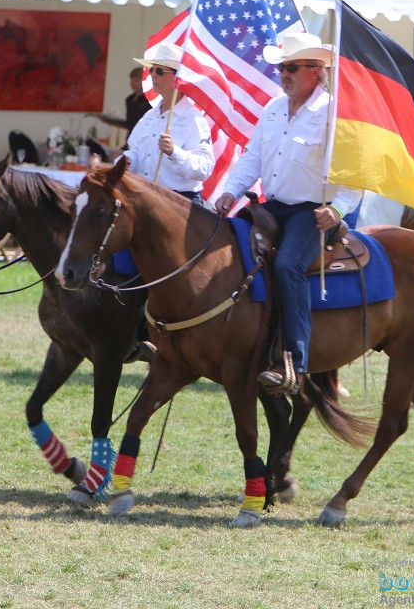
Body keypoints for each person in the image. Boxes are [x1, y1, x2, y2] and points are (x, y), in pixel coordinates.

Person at [215, 32, 363, 395]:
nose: (284, 73)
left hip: (312, 213)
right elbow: (252, 157)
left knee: (287, 266)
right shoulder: (272, 109)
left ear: (316, 70)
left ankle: (295, 361)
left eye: (291, 67)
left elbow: (355, 173)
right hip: (274, 207)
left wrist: (337, 210)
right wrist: (229, 191)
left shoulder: (333, 113)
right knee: (230, 252)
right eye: (282, 67)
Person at [122, 43, 214, 203]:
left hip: (179, 203)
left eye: (159, 71)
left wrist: (174, 152)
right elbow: (134, 152)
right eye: (151, 69)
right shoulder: (150, 116)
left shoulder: (193, 118)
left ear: (178, 78)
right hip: (147, 198)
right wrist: (123, 163)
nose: (153, 75)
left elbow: (204, 169)